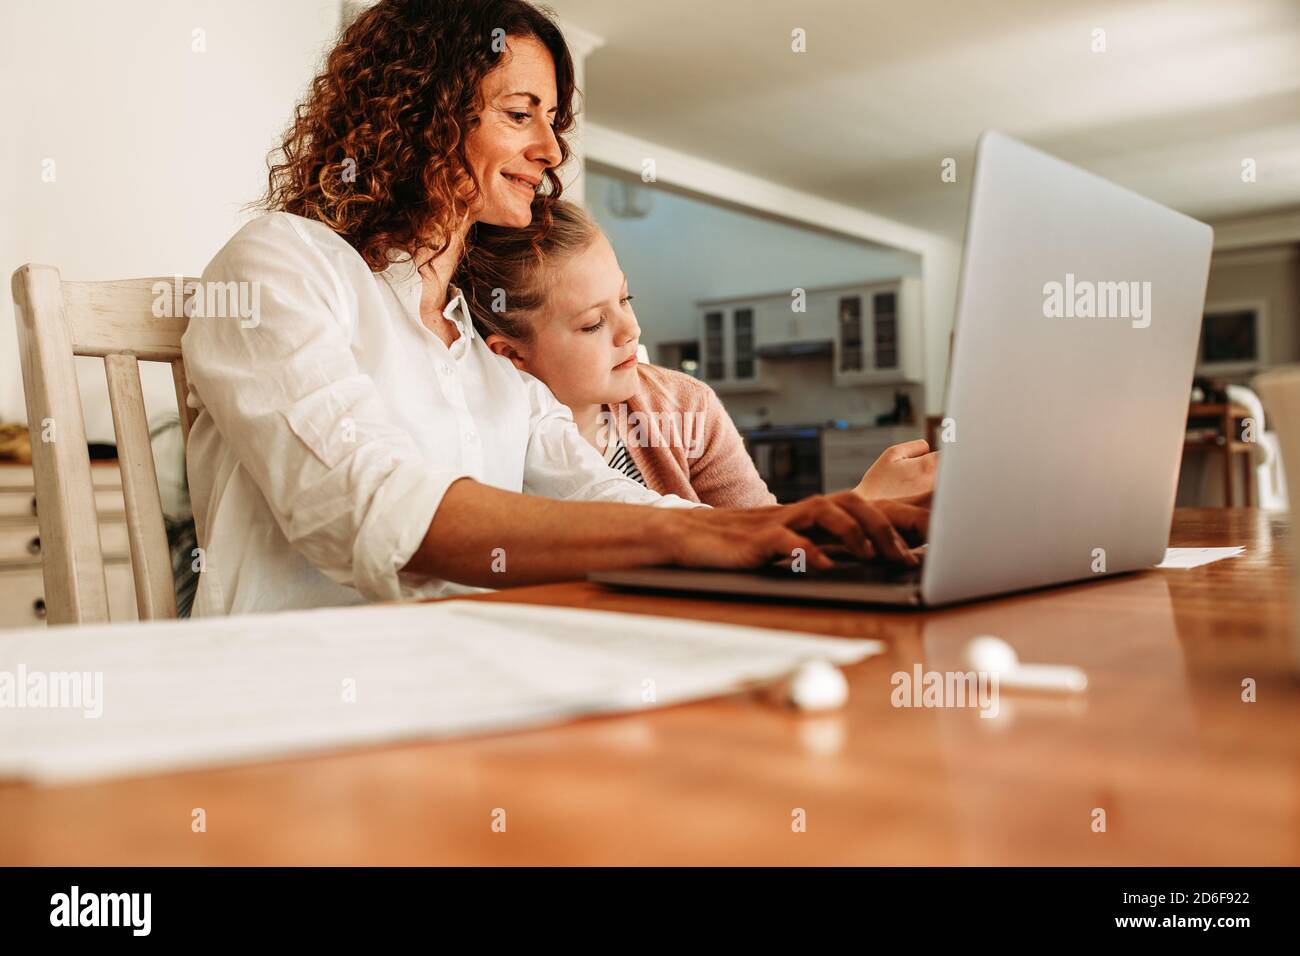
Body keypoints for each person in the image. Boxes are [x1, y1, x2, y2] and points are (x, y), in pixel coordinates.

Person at [181, 0, 929, 617]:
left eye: (553, 121)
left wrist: (798, 529)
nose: (551, 151)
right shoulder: (282, 264)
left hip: (458, 689)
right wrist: (723, 537)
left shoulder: (488, 350)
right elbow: (373, 506)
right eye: (520, 114)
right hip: (290, 705)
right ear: (421, 114)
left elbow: (598, 493)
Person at [456, 199, 935, 508]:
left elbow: (764, 536)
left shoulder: (687, 407)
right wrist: (858, 508)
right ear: (512, 355)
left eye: (626, 299)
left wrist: (858, 512)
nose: (630, 330)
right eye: (593, 323)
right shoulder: (482, 443)